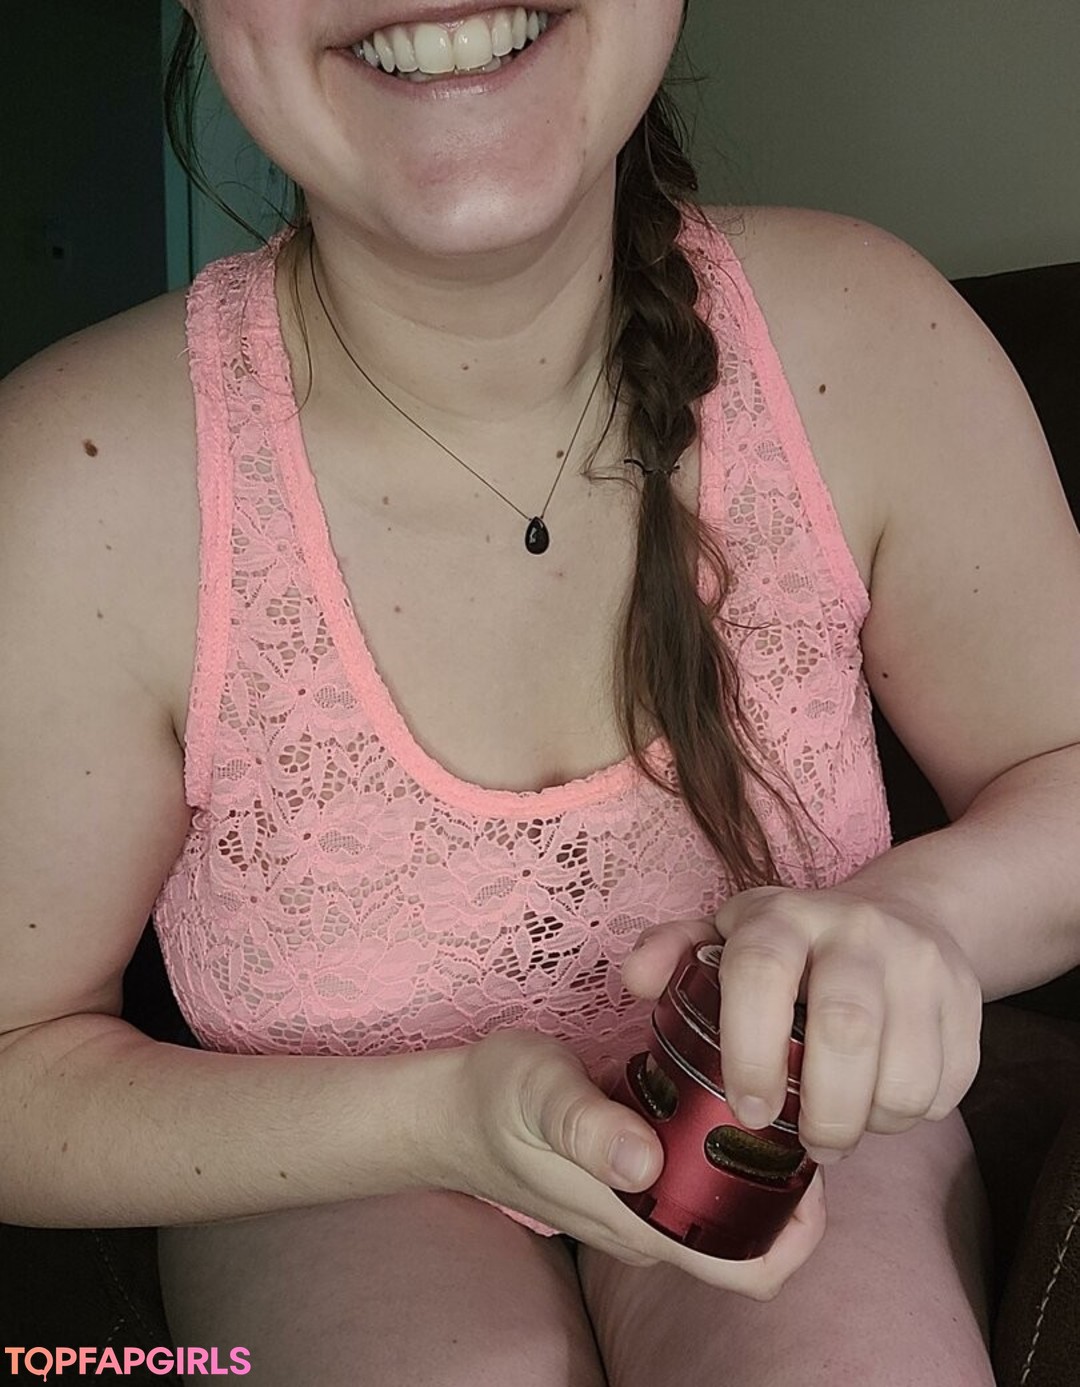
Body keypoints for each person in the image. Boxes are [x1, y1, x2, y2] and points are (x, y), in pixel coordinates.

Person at [2, 1, 1078, 1382]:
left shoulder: (869, 335)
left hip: (793, 1125)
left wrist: (920, 916)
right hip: (333, 1173)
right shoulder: (74, 485)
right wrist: (434, 1120)